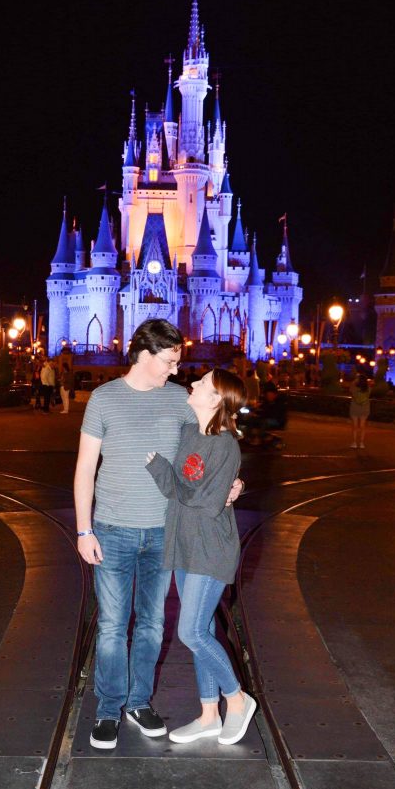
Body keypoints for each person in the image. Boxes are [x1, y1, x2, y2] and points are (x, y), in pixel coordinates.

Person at [74, 319, 243, 750]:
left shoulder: (180, 402)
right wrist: (83, 528)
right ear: (145, 355)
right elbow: (84, 470)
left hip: (165, 534)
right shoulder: (104, 399)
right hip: (111, 529)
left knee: (151, 624)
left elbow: (219, 433)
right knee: (112, 625)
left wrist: (234, 483)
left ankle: (138, 701)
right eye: (170, 361)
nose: (176, 370)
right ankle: (109, 708)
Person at [146, 368, 257, 746]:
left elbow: (207, 503)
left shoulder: (225, 445)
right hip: (183, 544)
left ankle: (237, 699)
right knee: (203, 631)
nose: (192, 384)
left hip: (211, 548)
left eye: (202, 384)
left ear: (216, 400)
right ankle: (209, 714)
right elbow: (179, 489)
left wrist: (163, 472)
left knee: (190, 630)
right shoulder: (188, 431)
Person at [349, 372, 371, 448]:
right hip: (364, 408)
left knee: (354, 426)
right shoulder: (368, 389)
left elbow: (351, 388)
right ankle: (361, 443)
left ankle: (354, 443)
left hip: (355, 408)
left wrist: (355, 381)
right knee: (362, 426)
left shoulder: (354, 388)